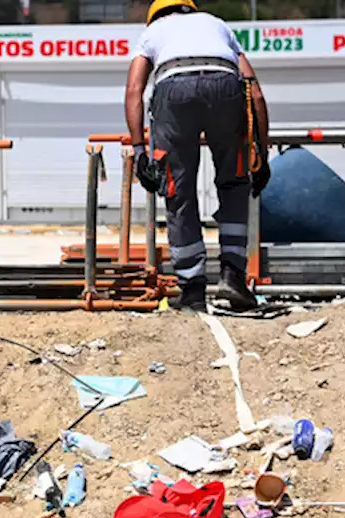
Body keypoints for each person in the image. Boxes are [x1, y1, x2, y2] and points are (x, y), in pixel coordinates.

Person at [124, 0, 270, 312]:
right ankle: (233, 276)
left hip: (173, 88)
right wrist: (261, 153)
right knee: (234, 182)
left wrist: (139, 152)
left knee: (178, 189)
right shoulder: (217, 24)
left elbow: (134, 90)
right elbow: (254, 91)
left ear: (156, 15)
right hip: (226, 85)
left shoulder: (153, 32)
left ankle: (191, 289)